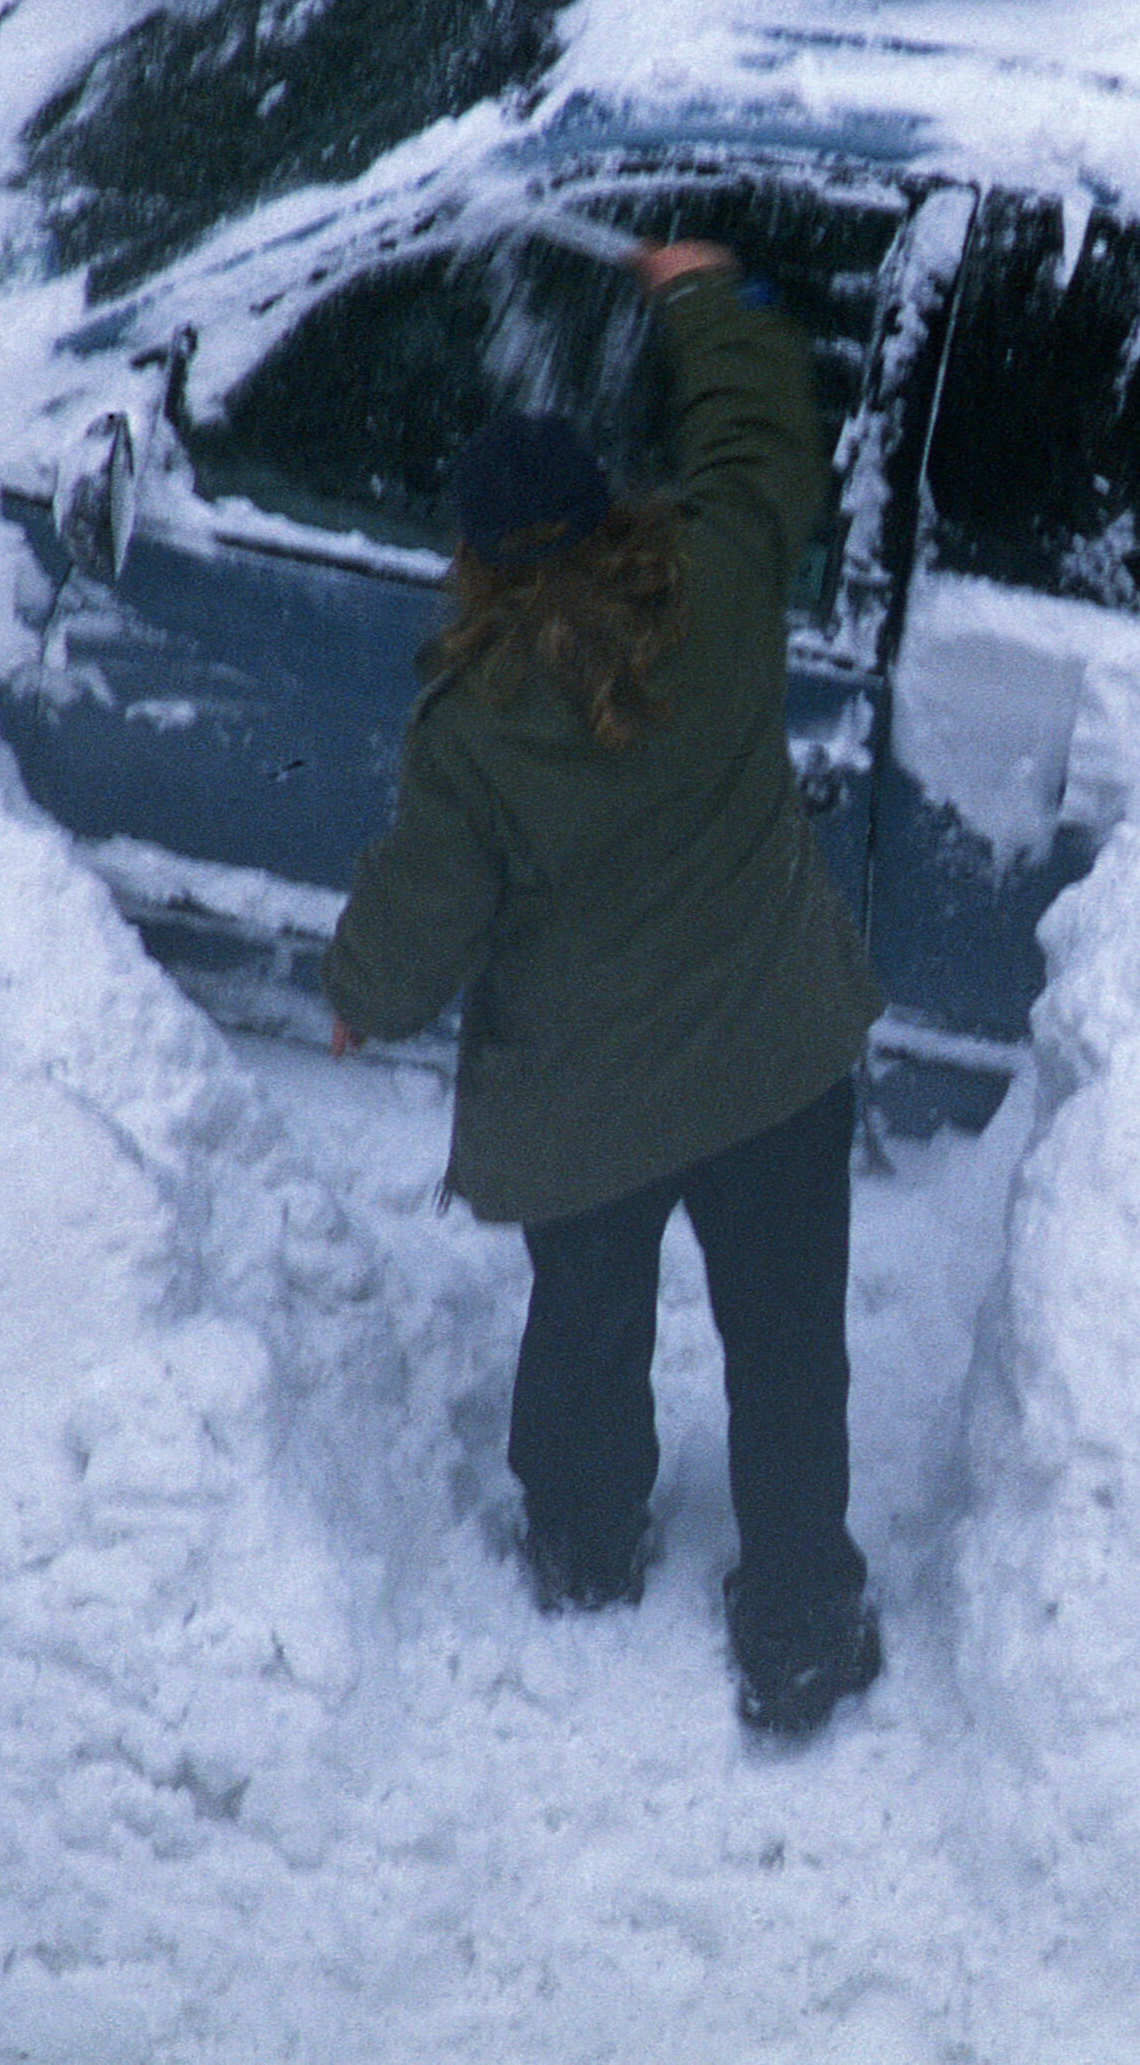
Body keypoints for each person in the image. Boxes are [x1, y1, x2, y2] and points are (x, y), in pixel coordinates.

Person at [324, 235, 888, 1741]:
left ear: (484, 562)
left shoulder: (477, 725)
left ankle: (581, 1547)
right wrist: (702, 294)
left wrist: (359, 995)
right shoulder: (720, 571)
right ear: (606, 505)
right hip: (775, 1063)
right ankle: (798, 1619)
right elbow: (762, 430)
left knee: (584, 1325)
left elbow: (420, 909)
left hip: (591, 1110)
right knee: (787, 1346)